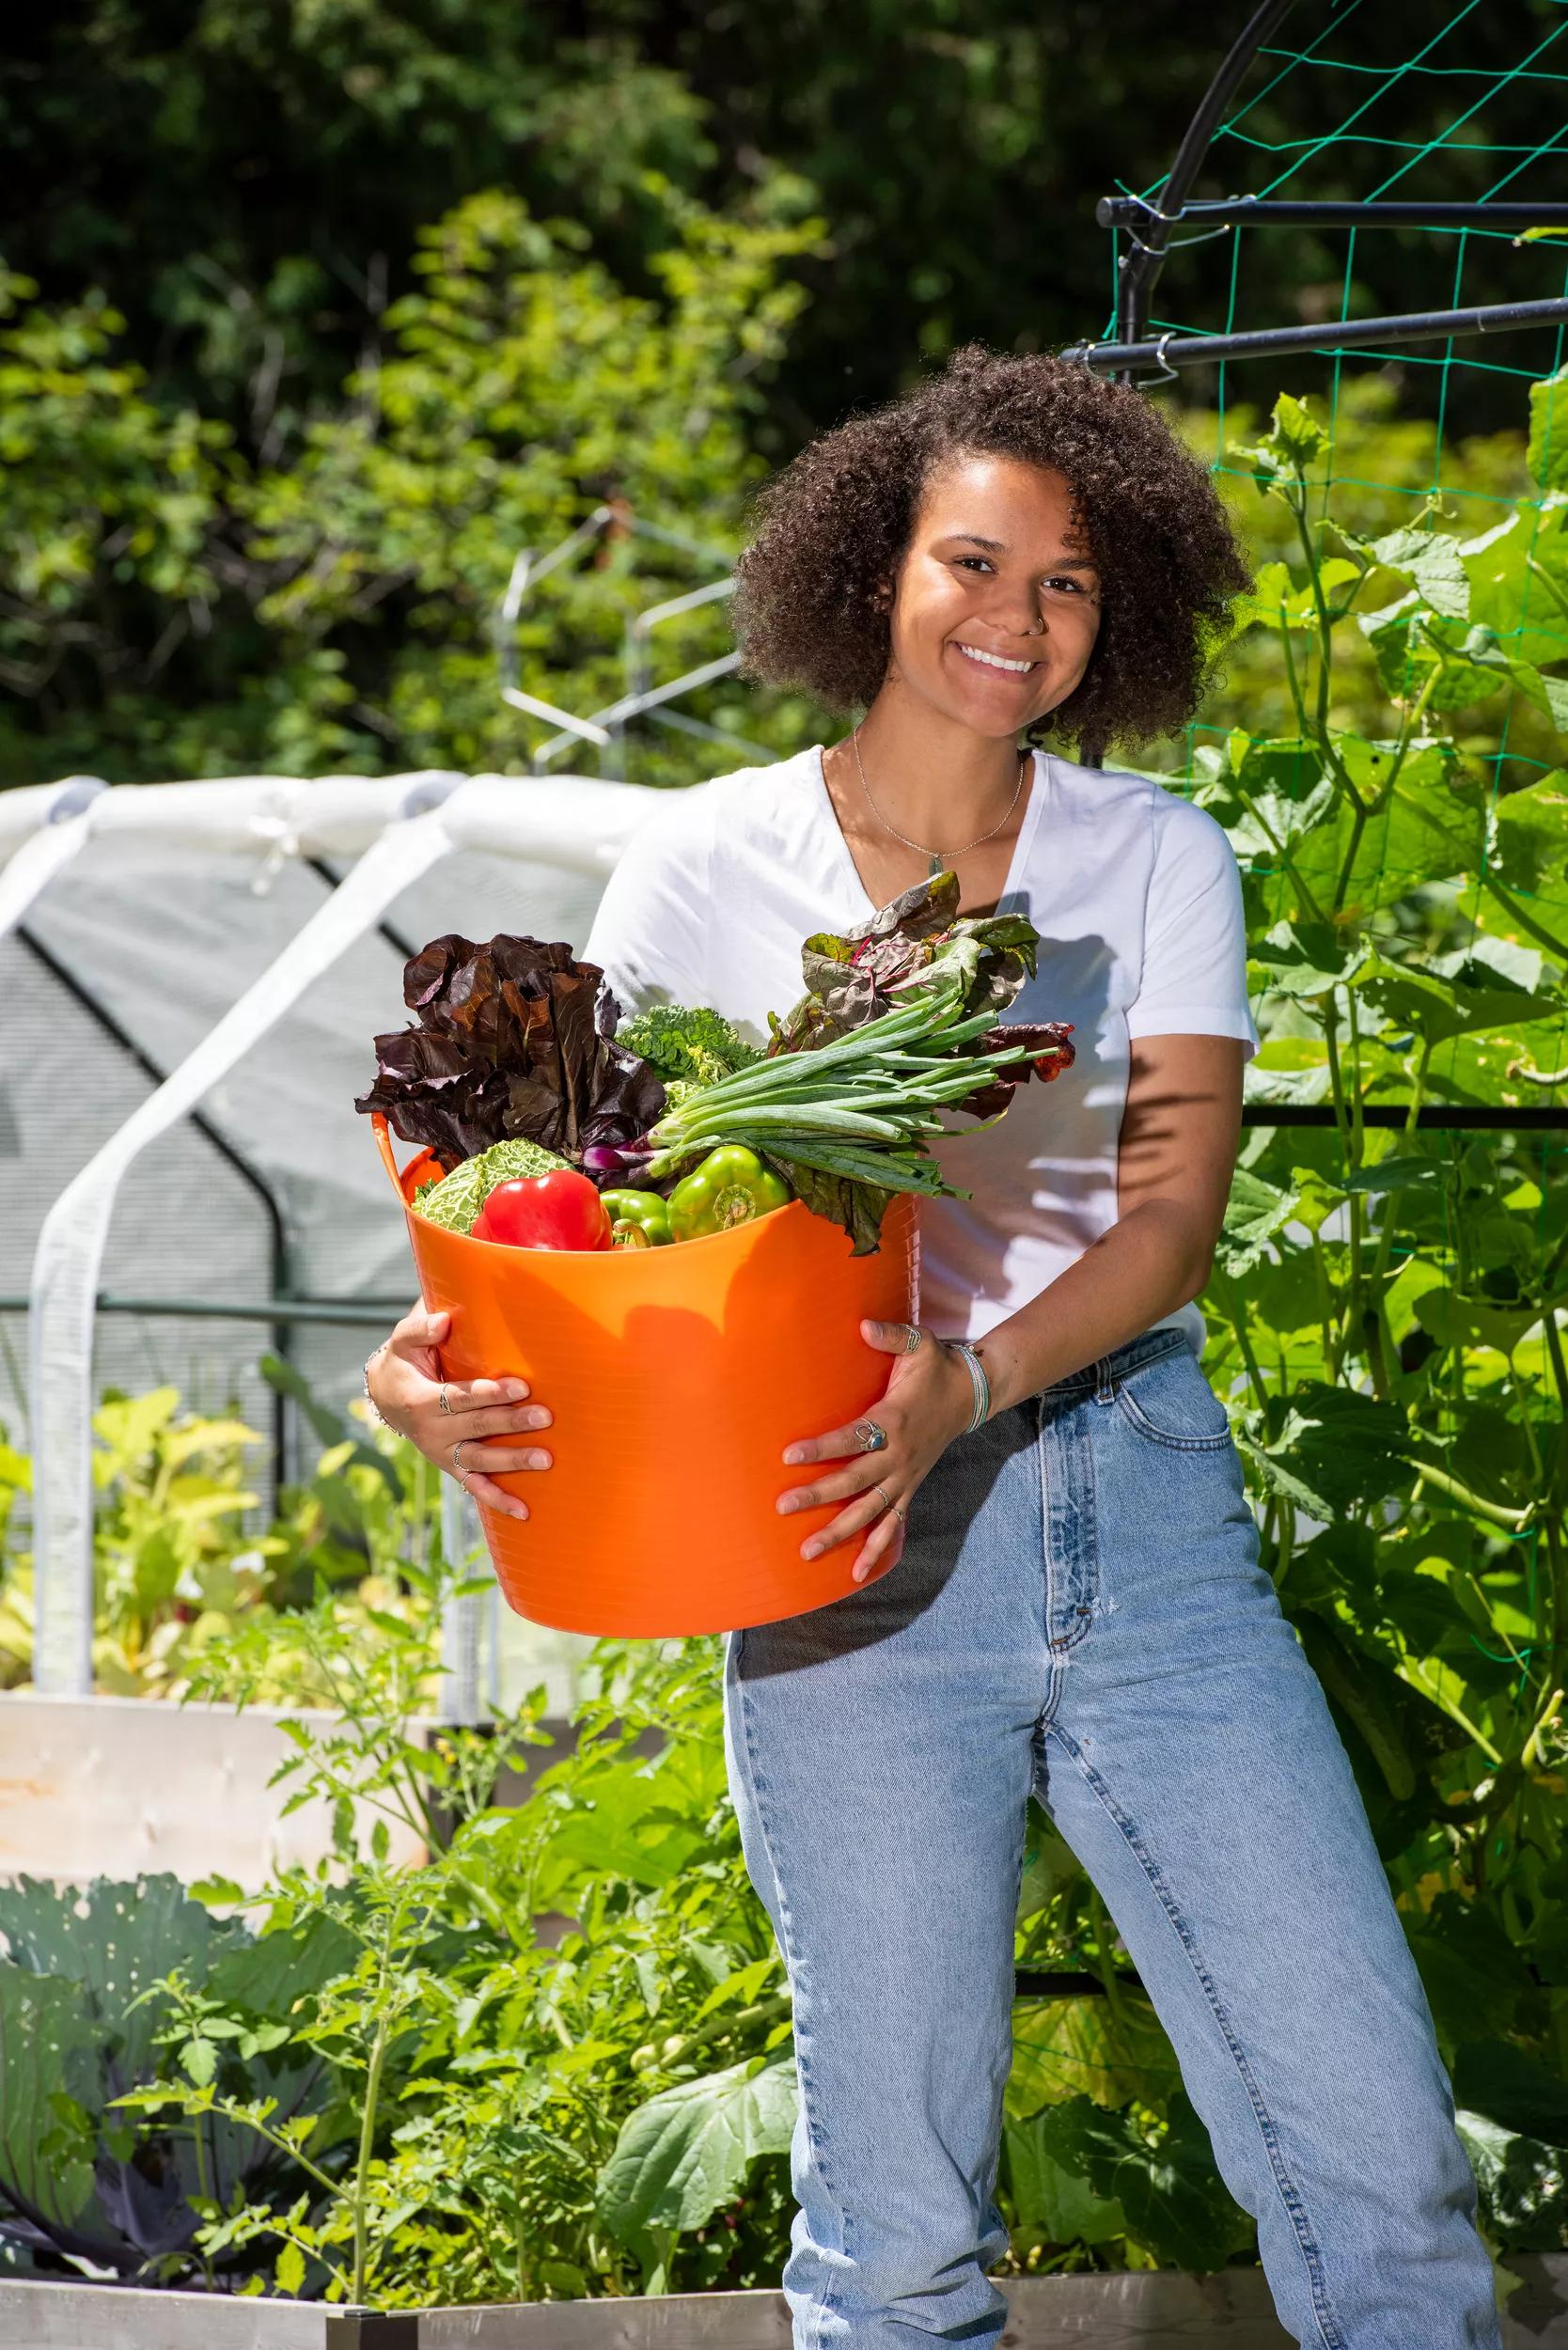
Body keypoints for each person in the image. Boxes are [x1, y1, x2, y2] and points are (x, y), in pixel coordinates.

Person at [365, 346, 1501, 2348]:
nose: (1018, 615)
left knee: (1380, 2166)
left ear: (1115, 611)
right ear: (871, 572)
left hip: (1141, 1516)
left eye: (1067, 583)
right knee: (895, 2236)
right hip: (835, 1536)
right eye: (973, 560)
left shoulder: (1155, 855)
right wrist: (419, 1361)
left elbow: (1165, 1219)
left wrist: (970, 1382)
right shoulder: (709, 868)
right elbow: (554, 1208)